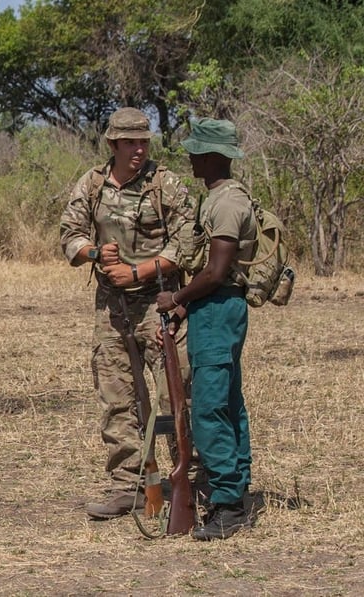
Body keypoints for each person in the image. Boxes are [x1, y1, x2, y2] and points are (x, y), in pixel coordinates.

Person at [59, 107, 195, 520]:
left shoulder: (165, 184)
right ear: (113, 144)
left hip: (160, 302)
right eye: (130, 143)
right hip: (111, 307)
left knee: (175, 391)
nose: (138, 150)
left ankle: (187, 479)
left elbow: (187, 242)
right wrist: (95, 253)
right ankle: (129, 485)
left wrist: (139, 270)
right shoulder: (93, 183)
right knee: (116, 395)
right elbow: (70, 233)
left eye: (143, 142)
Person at [156, 118, 255, 541]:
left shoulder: (227, 203)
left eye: (198, 151)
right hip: (211, 310)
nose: (192, 157)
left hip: (217, 309)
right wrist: (185, 310)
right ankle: (235, 489)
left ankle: (228, 503)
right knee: (227, 401)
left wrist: (176, 299)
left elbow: (215, 272)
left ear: (214, 156)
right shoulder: (216, 198)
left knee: (211, 407)